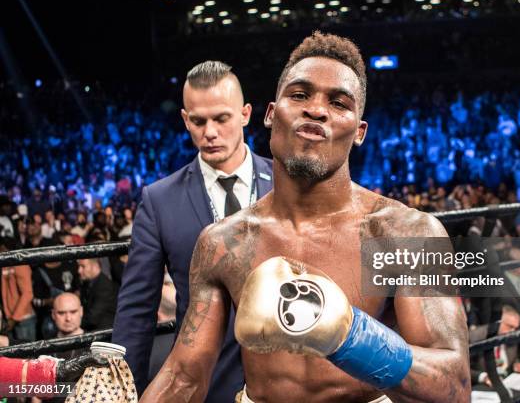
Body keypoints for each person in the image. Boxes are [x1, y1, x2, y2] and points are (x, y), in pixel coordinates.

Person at [141, 32, 469, 403]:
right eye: (299, 95)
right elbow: (185, 376)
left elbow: (453, 385)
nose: (316, 109)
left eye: (339, 102)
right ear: (269, 114)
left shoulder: (405, 233)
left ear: (359, 132)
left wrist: (350, 337)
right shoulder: (224, 242)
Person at [112, 60, 273, 401]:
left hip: (288, 384)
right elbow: (137, 311)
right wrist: (127, 392)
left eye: (221, 118)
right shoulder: (159, 201)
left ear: (245, 114)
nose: (210, 132)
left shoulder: (288, 184)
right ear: (186, 120)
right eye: (198, 121)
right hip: (208, 385)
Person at [77, 258, 117, 331]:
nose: (79, 270)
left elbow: (92, 318)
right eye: (79, 266)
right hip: (93, 327)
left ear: (95, 266)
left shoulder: (105, 286)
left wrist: (73, 323)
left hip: (104, 331)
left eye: (83, 266)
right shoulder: (87, 283)